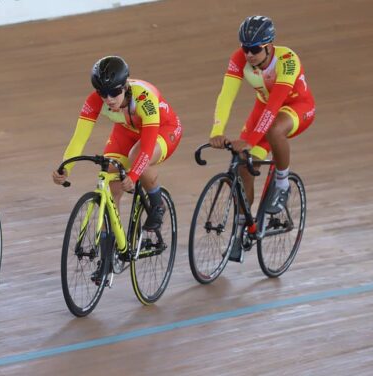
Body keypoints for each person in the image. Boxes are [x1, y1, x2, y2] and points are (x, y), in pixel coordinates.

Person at [208, 15, 315, 261]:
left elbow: (276, 104)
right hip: (264, 108)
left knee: (274, 130)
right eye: (245, 49)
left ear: (269, 46)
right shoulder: (239, 59)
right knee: (244, 164)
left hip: (296, 106)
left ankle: (282, 182)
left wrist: (251, 139)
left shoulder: (287, 60)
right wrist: (217, 131)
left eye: (255, 49)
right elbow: (226, 96)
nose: (249, 55)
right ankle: (245, 224)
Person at [52, 56, 183, 232]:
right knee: (109, 177)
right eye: (102, 93)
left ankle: (157, 203)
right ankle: (110, 246)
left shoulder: (144, 98)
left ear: (125, 86)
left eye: (114, 93)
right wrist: (66, 167)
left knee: (136, 157)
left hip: (163, 128)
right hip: (126, 130)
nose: (109, 99)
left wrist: (134, 174)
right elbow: (79, 138)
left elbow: (147, 145)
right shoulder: (94, 101)